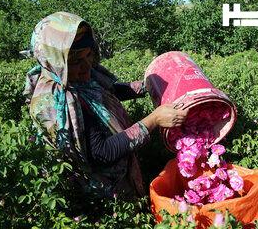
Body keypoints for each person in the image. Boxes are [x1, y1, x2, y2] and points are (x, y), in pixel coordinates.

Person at [23, 11, 188, 200]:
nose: (87, 67)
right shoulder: (59, 104)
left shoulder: (74, 76)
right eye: (77, 61)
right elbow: (102, 153)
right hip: (103, 192)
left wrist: (146, 87)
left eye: (88, 56)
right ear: (55, 61)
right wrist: (153, 120)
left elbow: (106, 91)